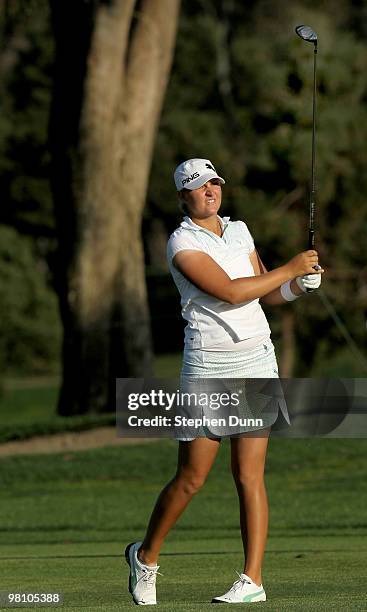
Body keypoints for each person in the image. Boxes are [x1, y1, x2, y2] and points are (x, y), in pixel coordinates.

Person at [125, 158, 324, 605]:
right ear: (183, 197)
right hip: (210, 366)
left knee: (249, 476)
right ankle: (146, 556)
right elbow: (231, 291)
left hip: (256, 359)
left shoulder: (239, 230)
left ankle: (252, 579)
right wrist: (291, 267)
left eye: (214, 182)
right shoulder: (181, 242)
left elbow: (262, 292)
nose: (210, 191)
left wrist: (297, 286)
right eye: (198, 186)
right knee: (192, 477)